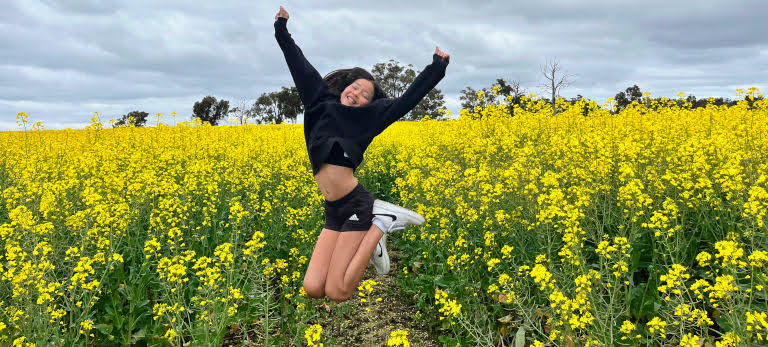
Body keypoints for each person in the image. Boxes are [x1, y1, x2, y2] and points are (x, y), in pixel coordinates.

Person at [274, 6, 450, 302]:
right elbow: (298, 64)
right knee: (313, 288)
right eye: (355, 88)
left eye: (365, 95)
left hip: (356, 203)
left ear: (369, 103)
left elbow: (407, 100)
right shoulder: (319, 102)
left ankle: (382, 221)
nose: (356, 95)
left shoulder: (369, 118)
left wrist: (437, 67)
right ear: (346, 87)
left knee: (338, 291)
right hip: (333, 209)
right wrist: (281, 29)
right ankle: (374, 237)